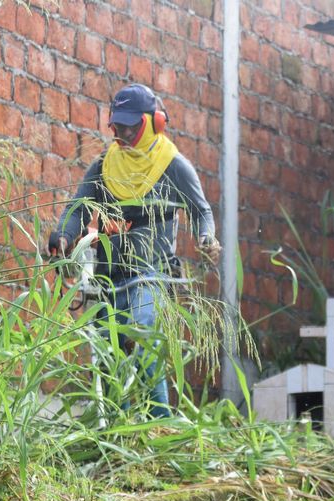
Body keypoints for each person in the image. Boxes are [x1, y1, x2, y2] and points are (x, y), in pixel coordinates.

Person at [48, 83, 220, 418]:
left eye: (131, 127)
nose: (123, 135)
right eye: (117, 127)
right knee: (110, 356)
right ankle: (118, 431)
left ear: (155, 122)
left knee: (143, 340)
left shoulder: (173, 165)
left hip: (151, 274)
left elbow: (201, 211)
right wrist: (64, 236)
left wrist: (206, 238)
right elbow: (77, 208)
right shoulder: (104, 166)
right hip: (108, 277)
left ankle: (160, 423)